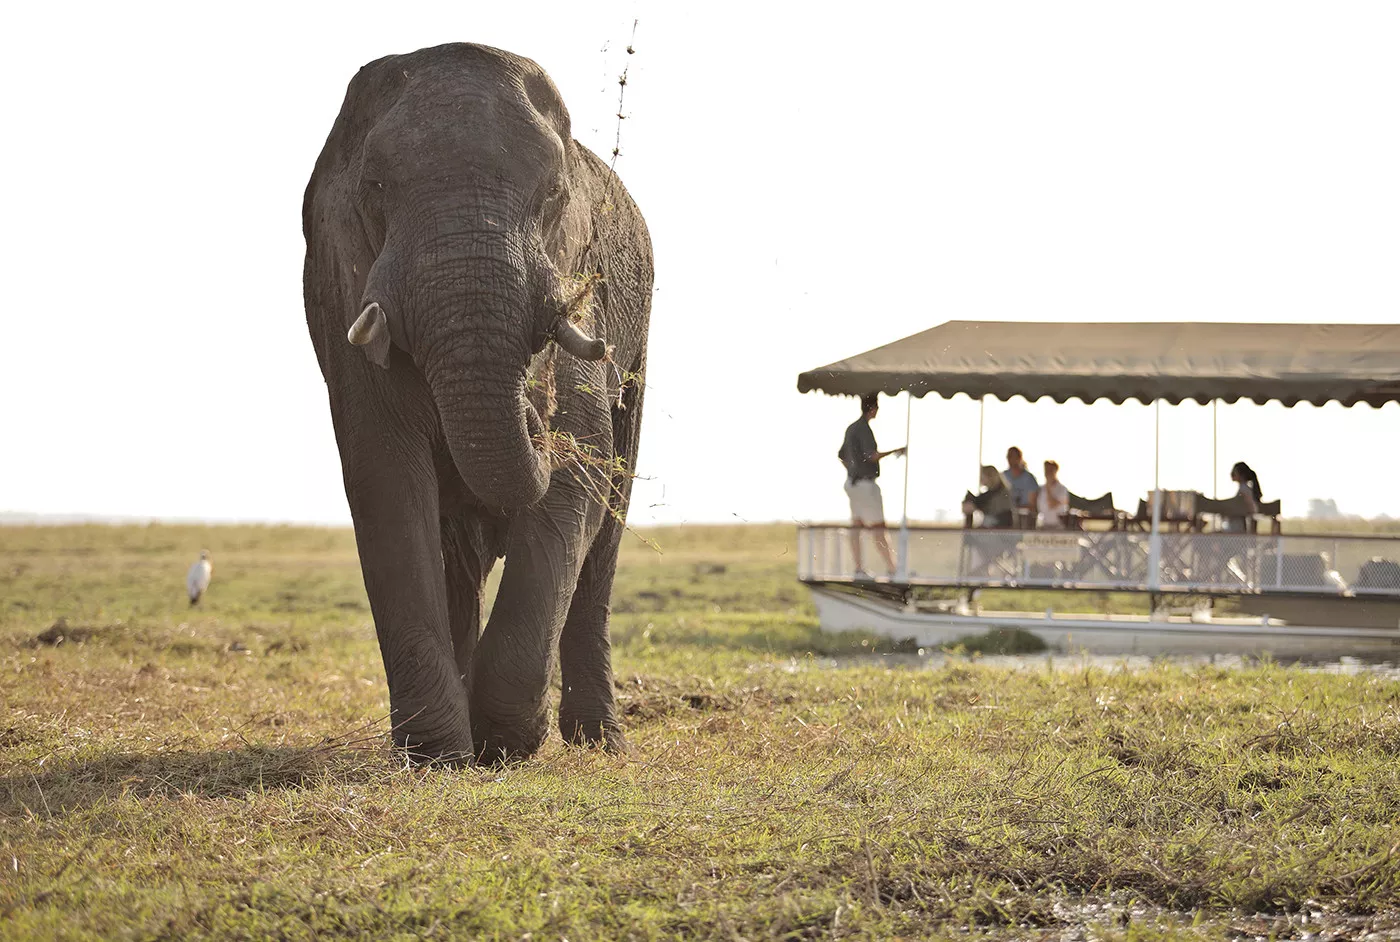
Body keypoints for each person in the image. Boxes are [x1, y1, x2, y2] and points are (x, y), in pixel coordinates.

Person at [837, 393, 905, 578]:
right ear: (873, 409)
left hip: (852, 483)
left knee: (857, 525)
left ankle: (859, 568)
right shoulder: (864, 429)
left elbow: (841, 455)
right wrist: (895, 451)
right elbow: (871, 455)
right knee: (878, 528)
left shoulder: (851, 428)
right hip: (865, 484)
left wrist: (852, 469)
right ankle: (893, 568)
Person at [1221, 461, 1261, 532]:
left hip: (1237, 527)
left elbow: (1252, 508)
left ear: (1241, 474)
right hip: (1235, 525)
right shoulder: (1243, 489)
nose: (1232, 474)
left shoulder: (1244, 490)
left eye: (1234, 472)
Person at [1004, 447, 1039, 513]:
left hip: (1025, 517)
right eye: (1009, 456)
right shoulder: (1003, 476)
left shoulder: (1029, 478)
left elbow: (1033, 504)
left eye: (1013, 456)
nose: (1010, 459)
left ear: (1019, 458)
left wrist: (1015, 509)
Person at [1036, 460, 1070, 529]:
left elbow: (1051, 504)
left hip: (1058, 527)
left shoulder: (1062, 489)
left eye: (1050, 470)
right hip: (1044, 526)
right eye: (1046, 470)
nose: (1048, 473)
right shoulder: (1041, 489)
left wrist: (1048, 487)